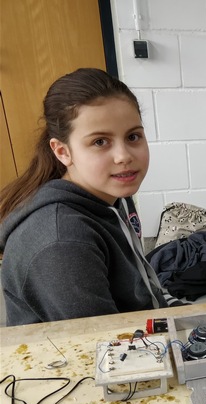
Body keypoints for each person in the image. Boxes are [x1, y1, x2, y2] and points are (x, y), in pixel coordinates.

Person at [0, 68, 178, 326]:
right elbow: (106, 350)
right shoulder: (62, 243)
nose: (123, 156)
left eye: (133, 136)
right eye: (100, 142)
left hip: (137, 327)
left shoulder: (112, 193)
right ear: (62, 152)